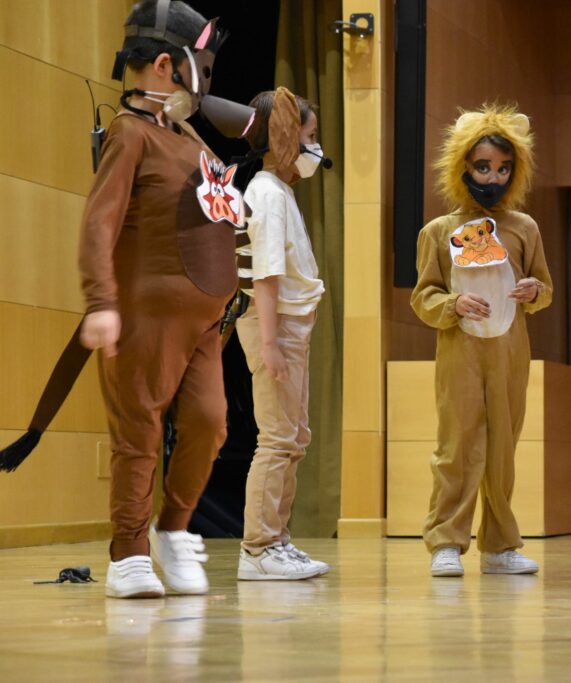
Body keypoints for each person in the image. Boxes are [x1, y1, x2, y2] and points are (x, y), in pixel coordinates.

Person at [79, 0, 240, 598]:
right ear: (169, 64)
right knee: (139, 434)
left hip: (204, 322)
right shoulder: (130, 135)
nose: (208, 74)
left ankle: (174, 530)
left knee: (209, 423)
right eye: (202, 63)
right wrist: (101, 302)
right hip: (146, 316)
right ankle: (128, 554)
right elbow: (99, 222)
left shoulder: (188, 134)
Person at [411, 104, 554, 577]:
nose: (493, 177)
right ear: (463, 168)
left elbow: (543, 288)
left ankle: (500, 545)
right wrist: (452, 306)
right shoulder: (437, 232)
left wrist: (534, 292)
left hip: (510, 354)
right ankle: (446, 541)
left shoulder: (524, 228)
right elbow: (423, 297)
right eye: (483, 167)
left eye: (504, 168)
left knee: (504, 450)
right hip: (460, 354)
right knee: (457, 446)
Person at [234, 87, 330, 580]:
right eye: (309, 136)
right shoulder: (266, 194)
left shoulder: (280, 190)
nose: (315, 147)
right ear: (286, 136)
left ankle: (278, 539)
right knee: (276, 439)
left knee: (295, 437)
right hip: (276, 326)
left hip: (293, 326)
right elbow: (266, 275)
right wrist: (270, 343)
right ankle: (259, 548)